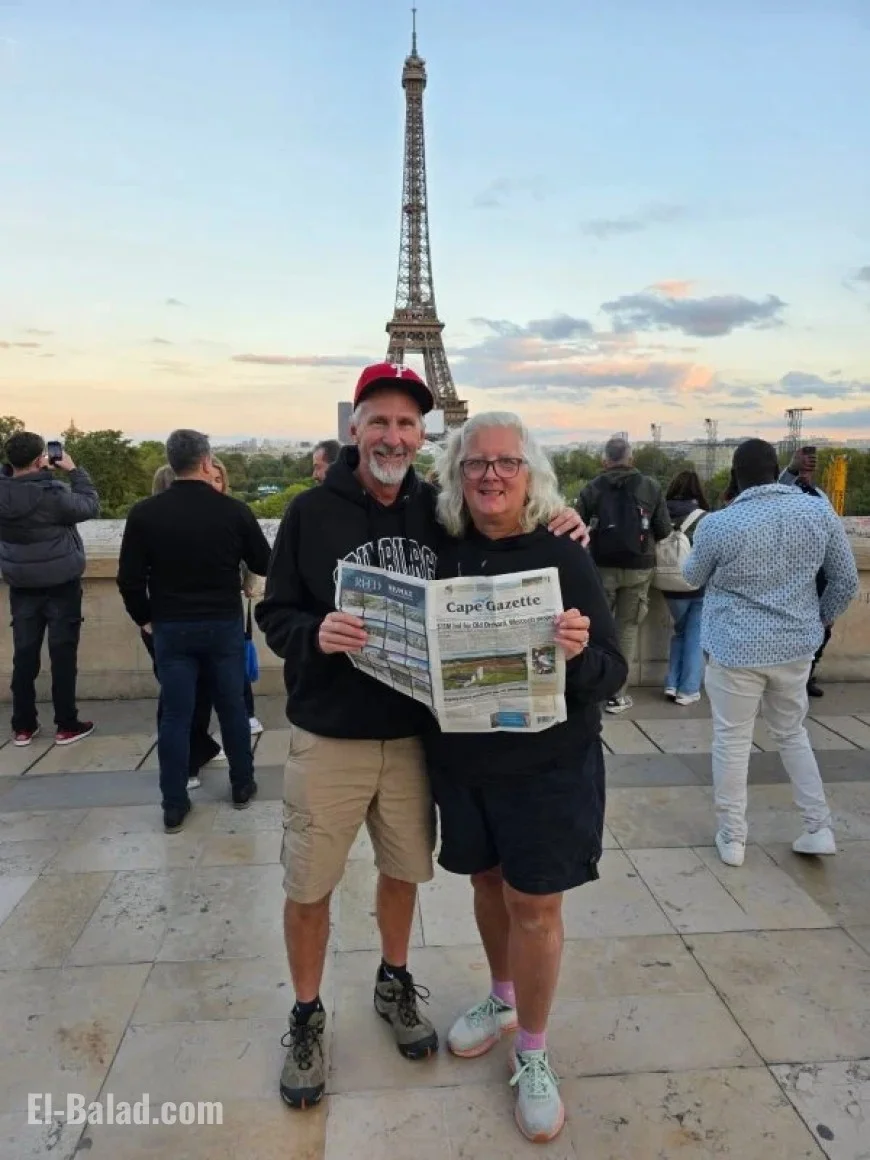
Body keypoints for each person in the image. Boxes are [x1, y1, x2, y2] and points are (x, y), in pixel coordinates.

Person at [256, 362, 588, 1111]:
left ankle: (393, 980)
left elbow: (508, 533)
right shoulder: (310, 513)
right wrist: (316, 631)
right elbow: (273, 616)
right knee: (309, 887)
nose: (393, 435)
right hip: (330, 737)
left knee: (402, 874)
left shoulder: (439, 512)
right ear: (354, 427)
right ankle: (306, 1014)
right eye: (380, 420)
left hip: (413, 736)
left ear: (420, 436)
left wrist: (564, 519)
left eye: (408, 424)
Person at [422, 412, 625, 1142]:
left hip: (548, 765)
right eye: (476, 464)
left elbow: (613, 670)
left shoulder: (564, 553)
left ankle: (534, 1052)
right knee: (485, 884)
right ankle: (503, 996)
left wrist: (576, 654)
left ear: (530, 474)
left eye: (507, 463)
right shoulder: (439, 550)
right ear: (455, 475)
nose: (490, 476)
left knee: (534, 904)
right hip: (467, 761)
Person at [684, 439, 859, 868]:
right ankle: (818, 827)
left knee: (731, 740)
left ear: (736, 475)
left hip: (734, 648)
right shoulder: (819, 512)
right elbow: (846, 581)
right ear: (776, 468)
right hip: (796, 646)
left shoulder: (720, 524)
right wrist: (820, 620)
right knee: (793, 733)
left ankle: (733, 836)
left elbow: (691, 577)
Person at [117, 429, 272, 833]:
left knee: (175, 715)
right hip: (222, 623)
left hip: (171, 627)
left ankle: (174, 802)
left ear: (171, 463)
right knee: (232, 708)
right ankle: (241, 784)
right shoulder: (233, 511)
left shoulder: (145, 514)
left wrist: (145, 618)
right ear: (207, 463)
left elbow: (129, 579)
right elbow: (265, 561)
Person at [0, 431, 100, 746]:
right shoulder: (53, 493)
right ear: (40, 458)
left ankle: (23, 725)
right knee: (63, 654)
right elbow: (89, 505)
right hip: (61, 582)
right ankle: (66, 723)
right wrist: (72, 470)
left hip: (22, 583)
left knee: (25, 653)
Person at [142, 463, 225, 789]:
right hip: (174, 622)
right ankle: (186, 762)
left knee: (188, 694)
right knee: (181, 698)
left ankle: (197, 749)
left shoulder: (150, 521)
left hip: (169, 622)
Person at [576, 436, 670, 714]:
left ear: (605, 460)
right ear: (631, 459)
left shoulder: (592, 488)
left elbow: (577, 526)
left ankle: (594, 688)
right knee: (626, 631)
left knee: (598, 630)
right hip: (639, 567)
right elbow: (664, 529)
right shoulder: (651, 487)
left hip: (601, 566)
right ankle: (617, 694)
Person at [211, 457, 264, 735]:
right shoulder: (235, 513)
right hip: (213, 608)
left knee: (235, 665)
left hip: (230, 604)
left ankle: (247, 714)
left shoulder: (233, 513)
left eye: (219, 480)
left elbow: (255, 559)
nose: (215, 486)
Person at [779, 447, 831, 698]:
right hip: (792, 572)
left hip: (819, 572)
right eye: (804, 468)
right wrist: (792, 468)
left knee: (823, 627)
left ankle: (807, 674)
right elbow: (780, 484)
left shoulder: (819, 496)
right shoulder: (783, 490)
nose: (807, 473)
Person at [662, 470, 709, 706]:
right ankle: (688, 689)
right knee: (695, 637)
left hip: (668, 584)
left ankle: (671, 682)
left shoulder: (662, 511)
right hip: (696, 585)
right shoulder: (703, 517)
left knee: (680, 632)